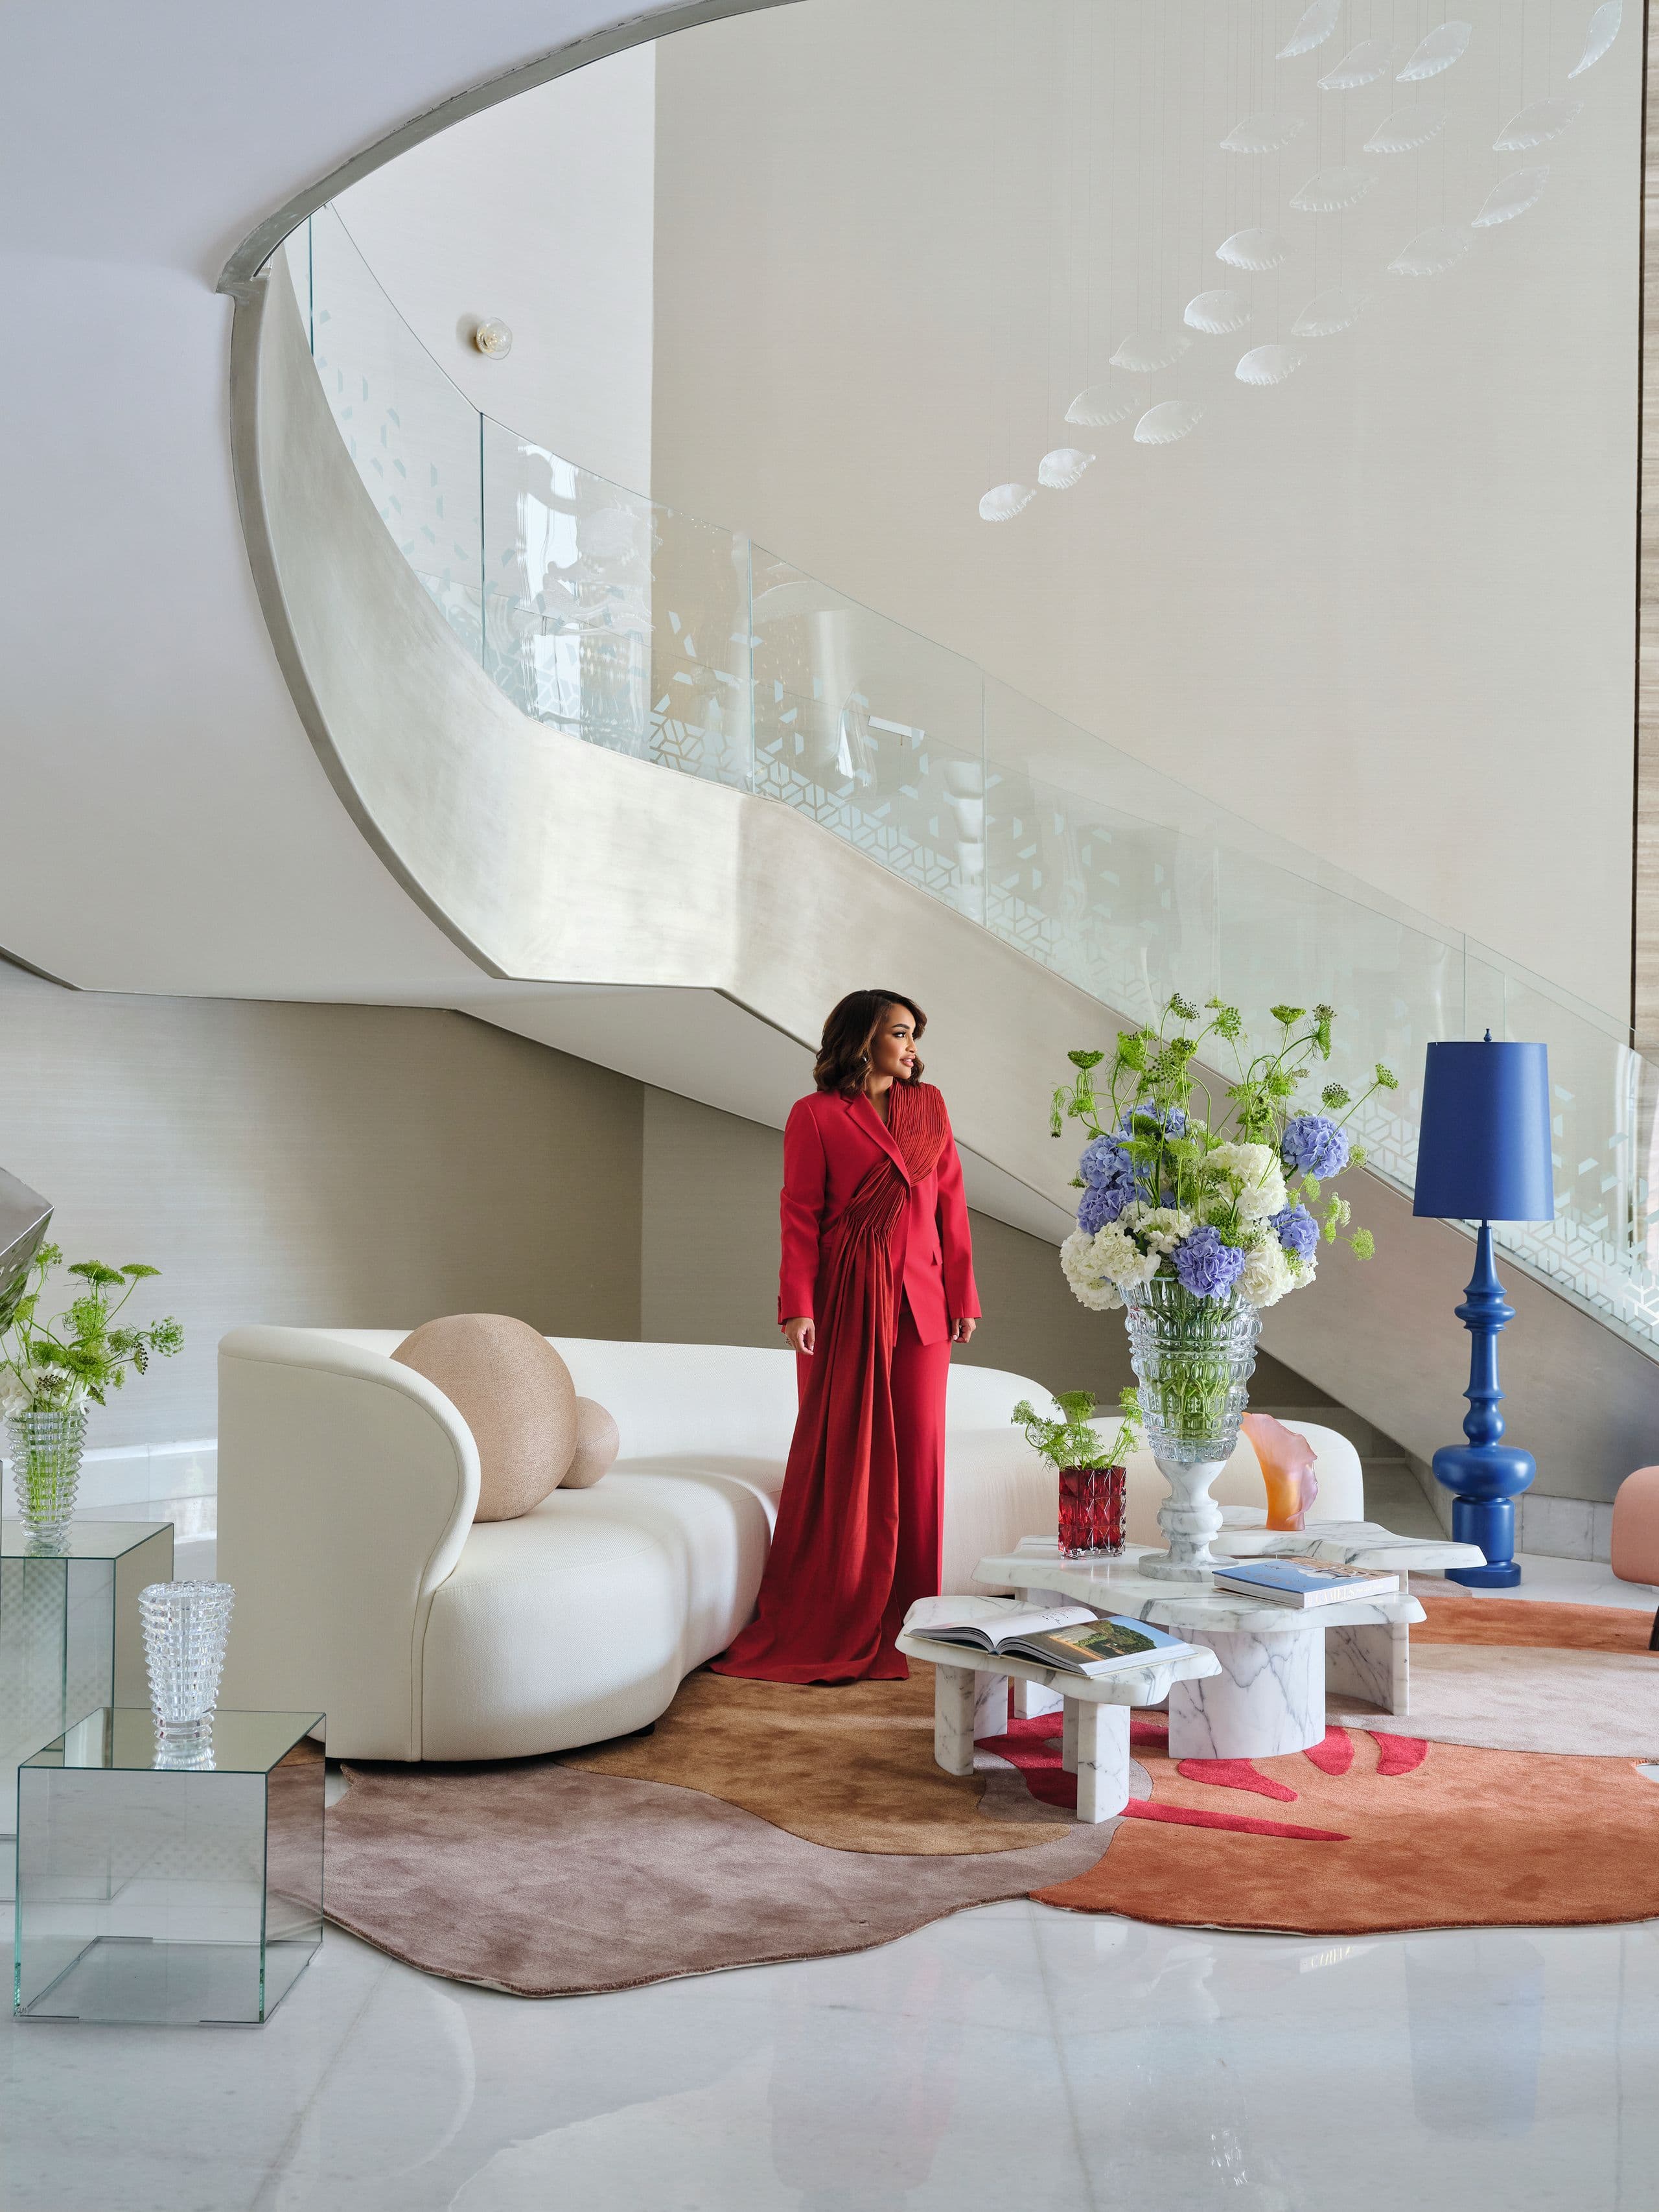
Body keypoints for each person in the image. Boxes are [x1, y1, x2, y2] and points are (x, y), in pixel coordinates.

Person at [712, 989, 980, 1683]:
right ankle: (842, 1605)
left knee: (919, 1456)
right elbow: (799, 1213)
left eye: (915, 1033)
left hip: (923, 1304)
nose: (912, 1046)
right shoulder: (814, 1116)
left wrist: (963, 1293)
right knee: (845, 1455)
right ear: (863, 1039)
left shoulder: (930, 1107)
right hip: (841, 1305)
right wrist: (796, 1306)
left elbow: (951, 1204)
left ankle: (917, 1614)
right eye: (899, 1032)